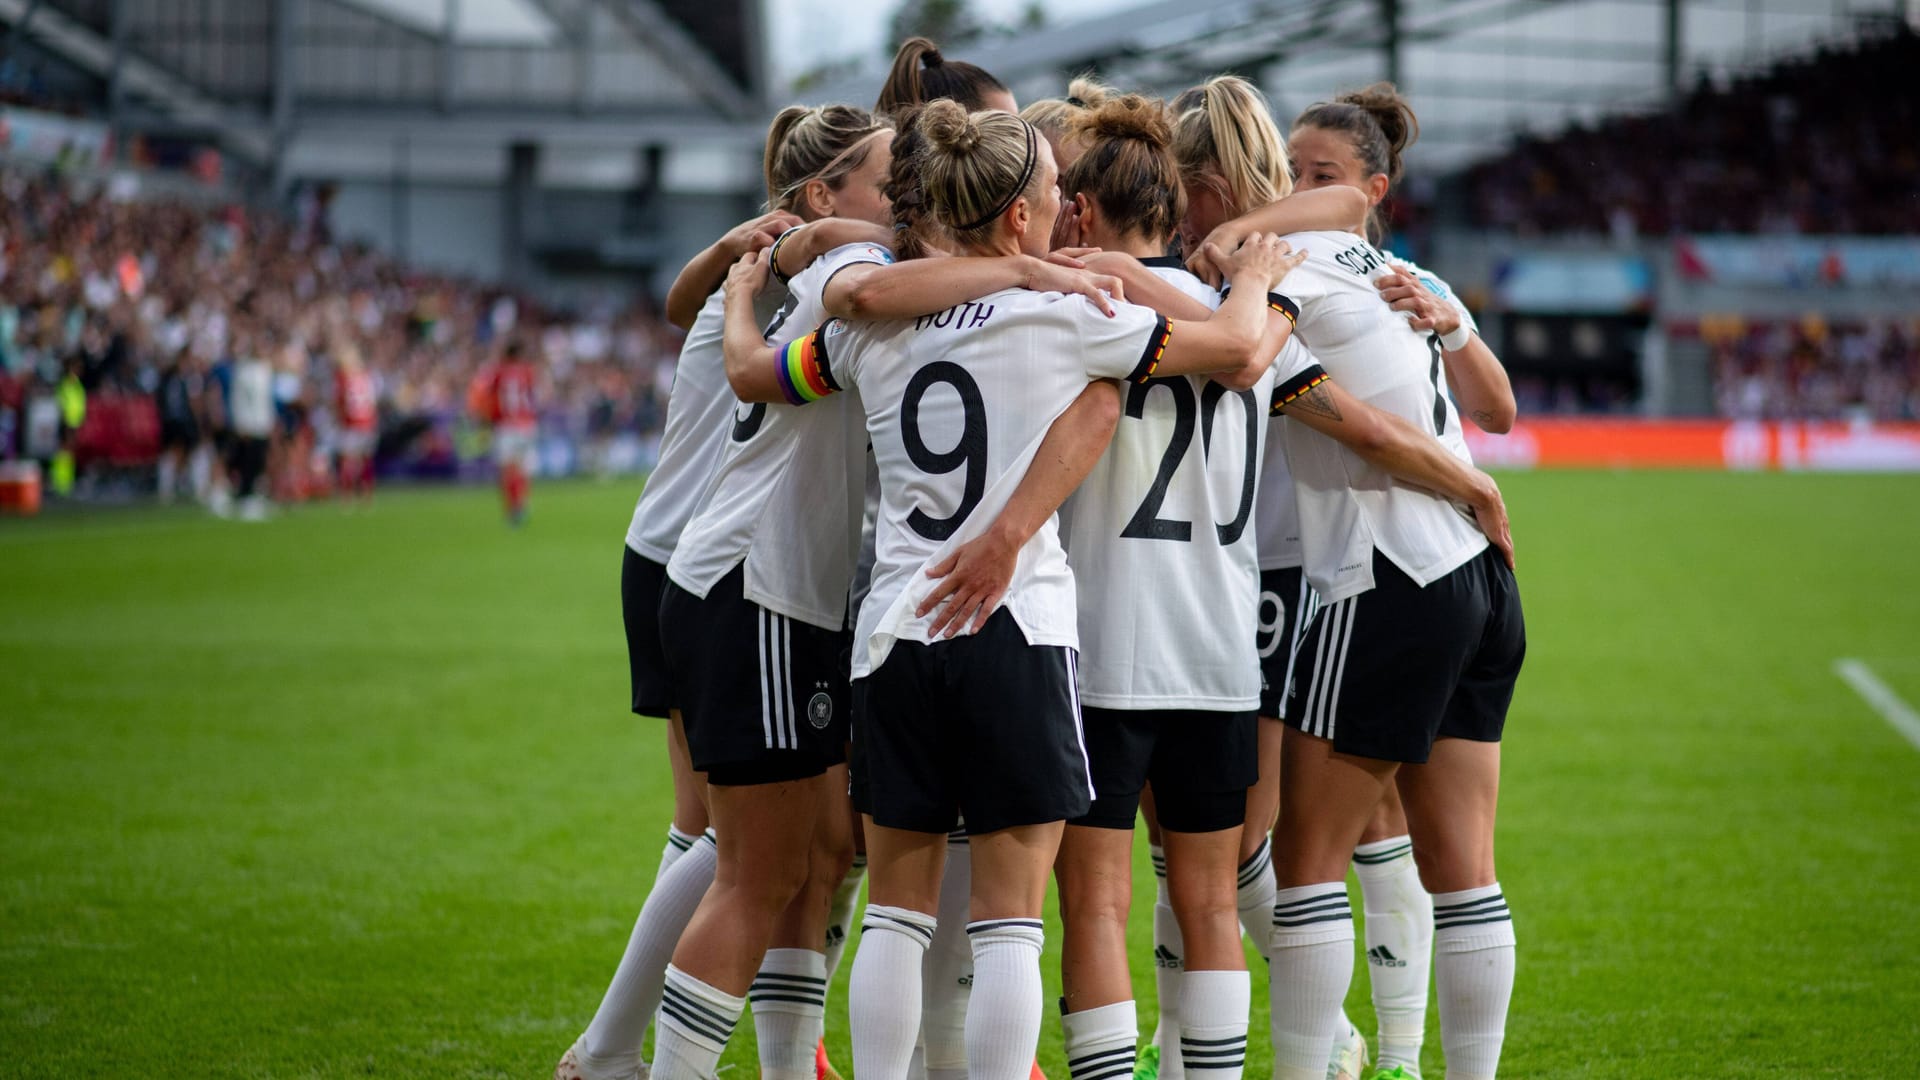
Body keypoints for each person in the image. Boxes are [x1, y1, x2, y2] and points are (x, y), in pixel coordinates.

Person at [727, 99, 1305, 1080]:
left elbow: (759, 373)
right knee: (1007, 931)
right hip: (1017, 631)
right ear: (1014, 219)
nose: (1057, 213)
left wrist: (741, 293)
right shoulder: (1071, 313)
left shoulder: (870, 321)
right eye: (1046, 196)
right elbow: (1233, 351)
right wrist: (1259, 281)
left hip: (897, 634)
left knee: (897, 918)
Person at [1173, 75, 1527, 1080]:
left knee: (1308, 864)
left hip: (1380, 571)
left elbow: (1249, 354)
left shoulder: (1289, 267)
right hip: (1474, 576)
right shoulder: (1380, 264)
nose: (1292, 185)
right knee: (1463, 869)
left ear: (1366, 187)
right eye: (1287, 166)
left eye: (1316, 174)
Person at [472, 341, 540, 525]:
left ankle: (514, 507)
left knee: (507, 469)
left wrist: (485, 417)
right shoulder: (527, 371)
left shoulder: (497, 372)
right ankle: (522, 504)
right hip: (527, 423)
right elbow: (532, 397)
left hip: (507, 425)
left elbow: (484, 393)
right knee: (522, 467)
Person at [333, 343, 378, 506]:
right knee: (365, 460)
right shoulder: (367, 377)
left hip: (351, 424)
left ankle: (347, 495)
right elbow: (372, 403)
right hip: (366, 423)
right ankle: (366, 495)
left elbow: (340, 403)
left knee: (349, 460)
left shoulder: (344, 379)